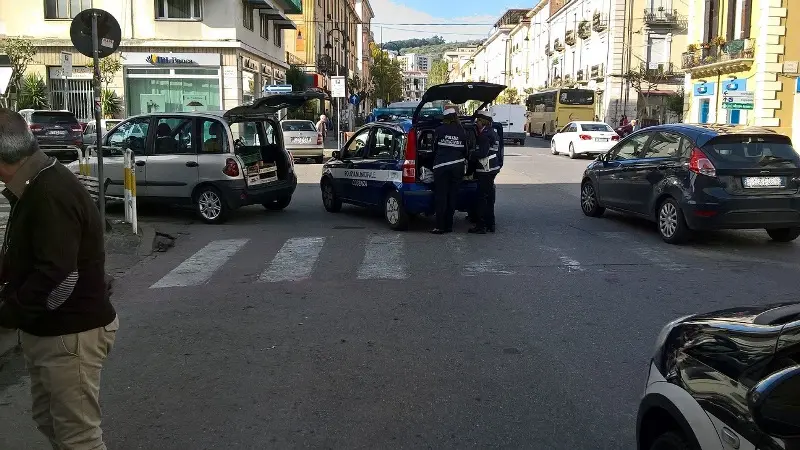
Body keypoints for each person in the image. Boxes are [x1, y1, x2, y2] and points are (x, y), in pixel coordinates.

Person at [0, 108, 118, 449]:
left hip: (70, 334)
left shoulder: (49, 193)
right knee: (50, 421)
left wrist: (9, 313)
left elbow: (58, 274)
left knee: (78, 438)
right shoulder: (35, 184)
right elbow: (31, 256)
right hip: (51, 331)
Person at [430, 108, 468, 234]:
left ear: (445, 118)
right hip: (457, 167)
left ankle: (440, 226)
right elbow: (467, 150)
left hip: (441, 167)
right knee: (452, 196)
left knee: (441, 196)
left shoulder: (440, 130)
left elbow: (433, 149)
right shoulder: (462, 131)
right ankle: (449, 226)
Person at [469, 110, 501, 234]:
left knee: (481, 198)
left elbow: (482, 153)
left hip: (485, 169)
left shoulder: (484, 135)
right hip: (493, 168)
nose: (477, 123)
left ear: (483, 121)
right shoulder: (493, 133)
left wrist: (471, 154)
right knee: (489, 196)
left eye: (478, 121)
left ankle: (481, 226)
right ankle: (490, 224)